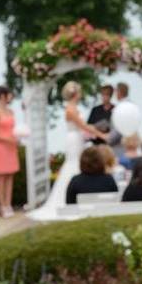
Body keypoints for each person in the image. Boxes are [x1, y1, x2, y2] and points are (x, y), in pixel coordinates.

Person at [28, 81, 107, 220]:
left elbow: (84, 126)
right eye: (80, 92)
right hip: (73, 139)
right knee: (73, 164)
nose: (81, 95)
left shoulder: (73, 107)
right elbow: (82, 125)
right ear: (75, 94)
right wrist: (101, 135)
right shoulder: (70, 109)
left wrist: (92, 132)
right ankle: (67, 198)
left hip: (77, 138)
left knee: (77, 164)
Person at [0, 86, 20, 218]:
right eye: (9, 94)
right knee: (1, 176)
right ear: (2, 95)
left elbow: (14, 129)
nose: (11, 97)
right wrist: (8, 139)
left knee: (10, 176)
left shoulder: (11, 111)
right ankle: (2, 206)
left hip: (11, 147)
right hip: (0, 147)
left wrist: (17, 137)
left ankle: (8, 204)